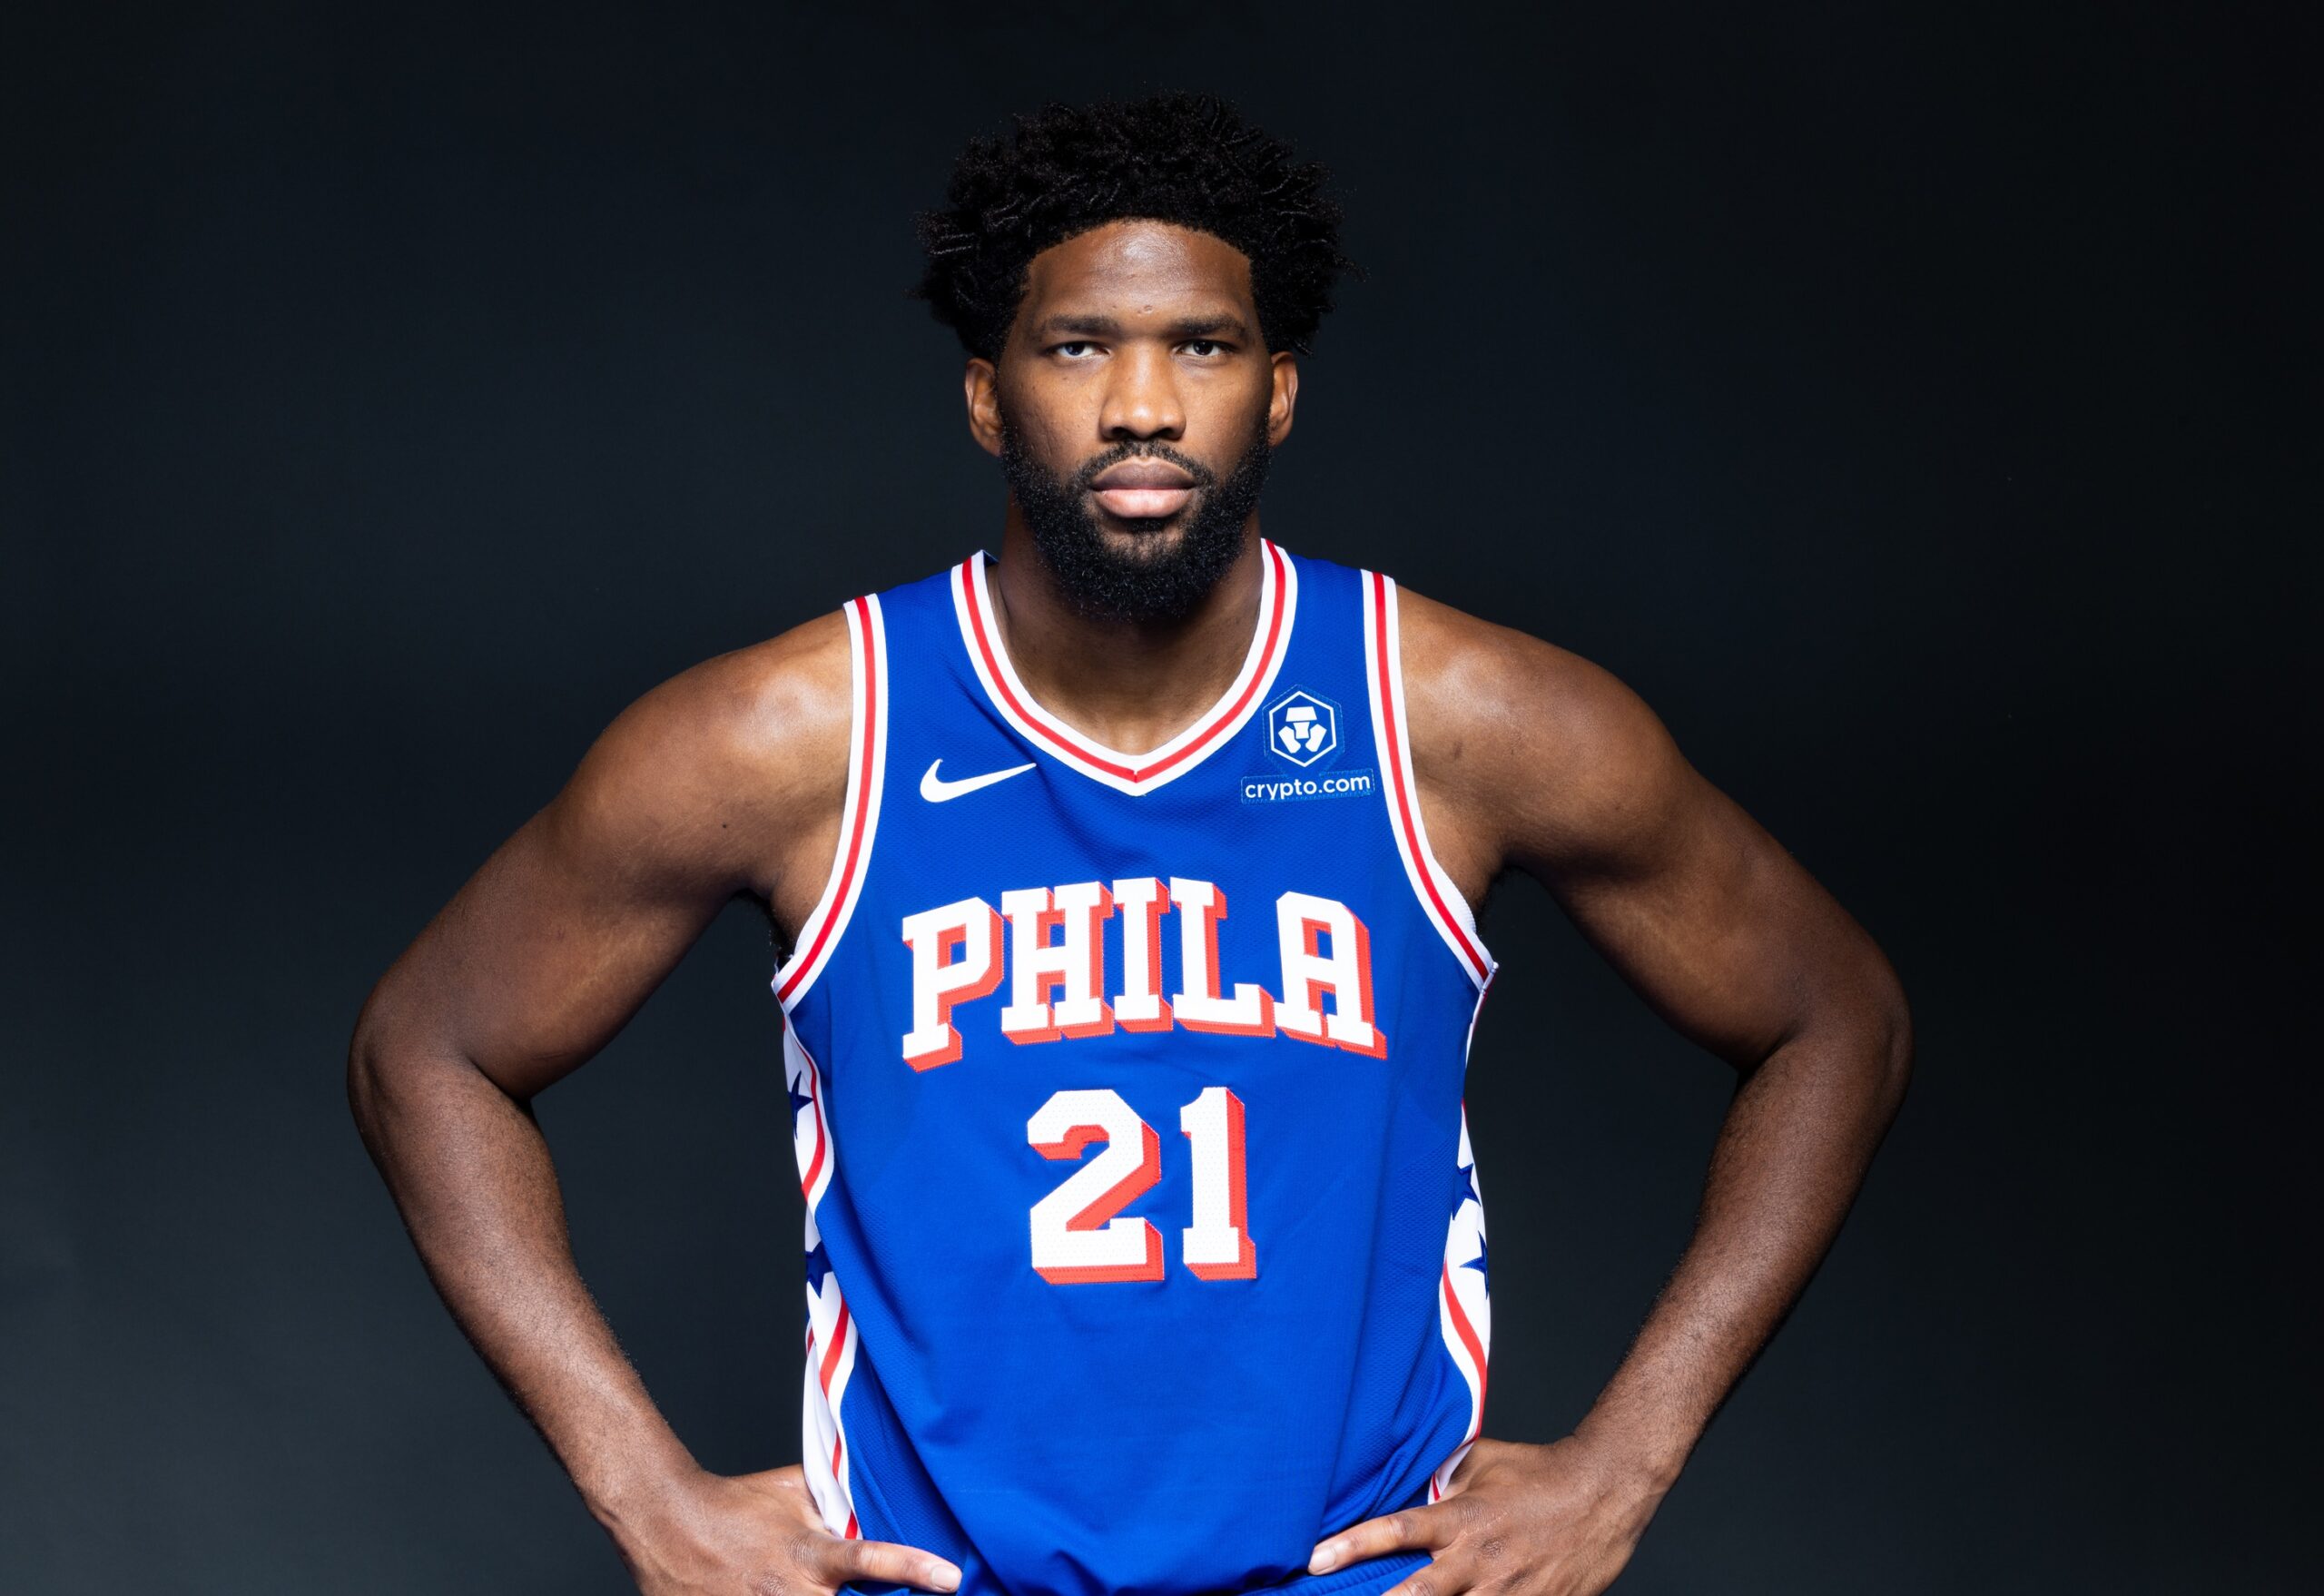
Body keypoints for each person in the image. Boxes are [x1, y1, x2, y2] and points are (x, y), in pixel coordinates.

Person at [348, 91, 1912, 1596]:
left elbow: (1836, 1015)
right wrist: (649, 1495)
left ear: (1279, 390)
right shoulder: (803, 740)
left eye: (1204, 347)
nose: (1144, 404)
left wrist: (1625, 1463)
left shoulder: (1453, 721)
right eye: (1080, 344)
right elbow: (426, 1049)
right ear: (986, 394)